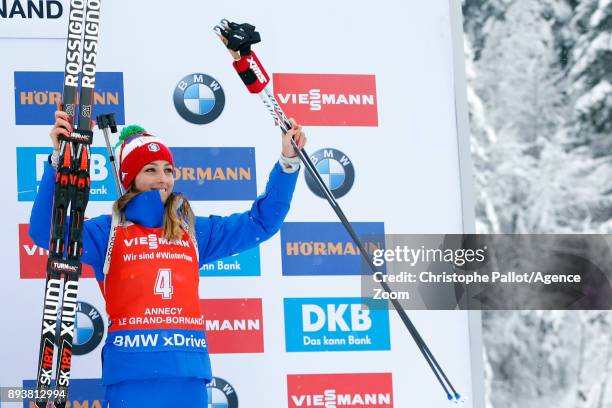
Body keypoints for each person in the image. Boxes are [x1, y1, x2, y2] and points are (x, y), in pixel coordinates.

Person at [29, 110, 306, 407]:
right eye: (150, 170)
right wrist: (59, 158)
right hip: (131, 377)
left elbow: (261, 223)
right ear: (130, 177)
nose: (162, 179)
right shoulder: (107, 232)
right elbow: (47, 232)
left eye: (168, 170)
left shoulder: (193, 229)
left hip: (187, 376)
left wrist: (288, 163)